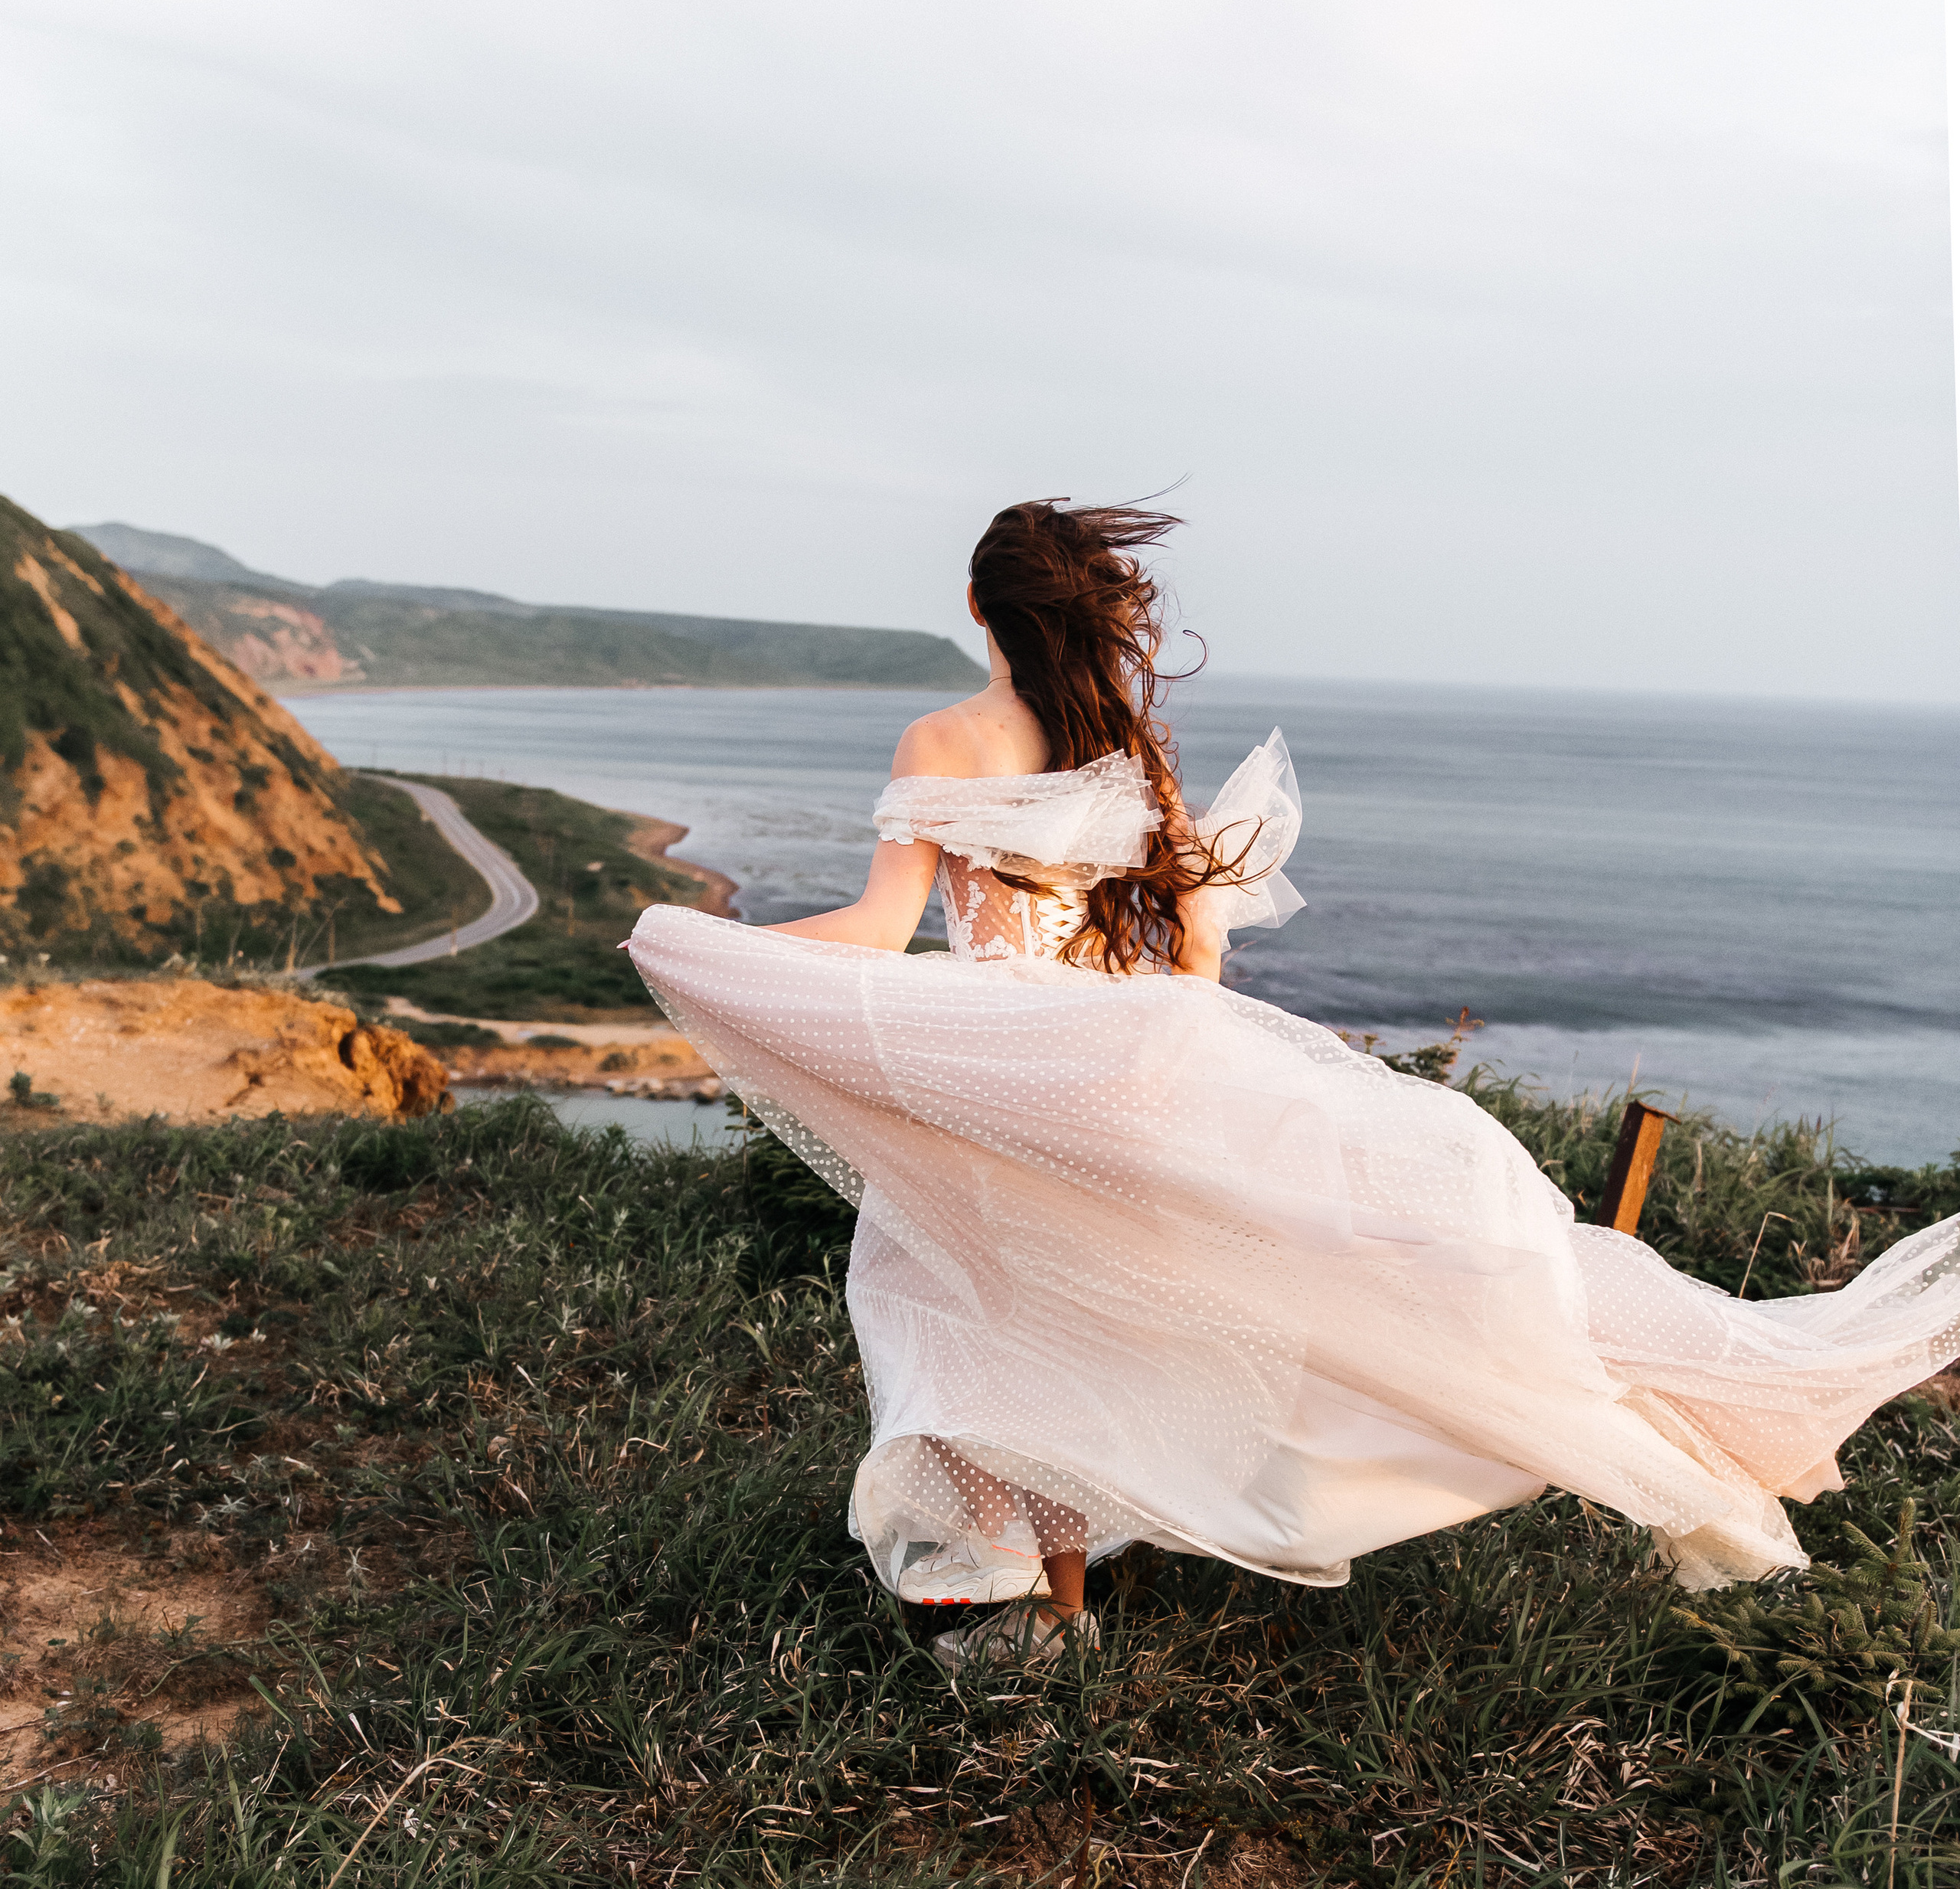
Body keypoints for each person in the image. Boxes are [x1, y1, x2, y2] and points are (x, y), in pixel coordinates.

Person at [629, 499, 1960, 1672]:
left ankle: (1022, 1608)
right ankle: (1055, 1602)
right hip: (1134, 1058)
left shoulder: (944, 736)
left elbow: (873, 932)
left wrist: (697, 944)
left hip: (1006, 1071)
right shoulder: (1127, 751)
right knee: (1098, 1314)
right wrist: (1173, 1066)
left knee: (960, 1304)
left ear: (978, 609)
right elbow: (1191, 952)